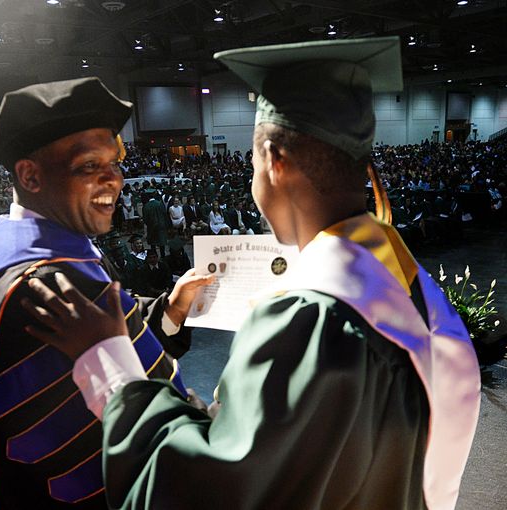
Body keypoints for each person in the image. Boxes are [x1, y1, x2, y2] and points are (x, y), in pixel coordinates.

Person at [24, 38, 481, 509]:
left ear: (274, 162)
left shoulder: (312, 317)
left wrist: (107, 361)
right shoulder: (407, 286)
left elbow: (201, 492)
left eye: (252, 163)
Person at [0, 77, 211, 510]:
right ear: (30, 175)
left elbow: (105, 320)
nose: (114, 181)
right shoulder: (44, 287)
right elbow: (114, 470)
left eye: (115, 163)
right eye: (89, 166)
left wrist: (170, 310)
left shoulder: (14, 240)